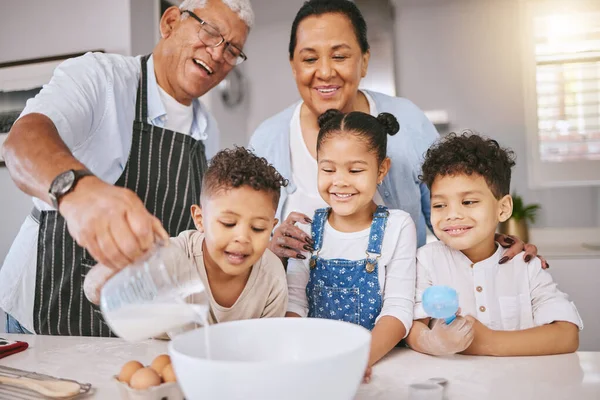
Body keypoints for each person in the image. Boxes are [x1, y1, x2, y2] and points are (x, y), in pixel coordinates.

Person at [0, 0, 254, 335]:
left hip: (132, 323)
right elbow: (22, 141)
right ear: (171, 22)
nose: (219, 54)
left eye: (233, 49)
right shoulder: (101, 78)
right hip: (43, 313)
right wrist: (80, 192)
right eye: (210, 32)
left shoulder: (207, 131)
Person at [249, 0, 541, 266]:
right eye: (309, 59)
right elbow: (243, 240)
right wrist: (268, 245)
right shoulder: (267, 139)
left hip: (401, 311)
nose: (324, 72)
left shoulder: (409, 121)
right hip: (299, 314)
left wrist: (490, 247)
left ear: (364, 60)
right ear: (293, 66)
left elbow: (450, 212)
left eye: (339, 56)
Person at [406, 133, 582, 357]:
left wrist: (488, 342)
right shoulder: (427, 261)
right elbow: (411, 328)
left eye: (468, 202)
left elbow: (567, 335)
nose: (452, 214)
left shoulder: (526, 266)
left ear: (503, 208)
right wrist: (432, 341)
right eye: (439, 205)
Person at [84, 147, 289, 326]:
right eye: (228, 223)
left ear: (272, 226)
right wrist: (125, 261)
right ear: (200, 220)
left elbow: (266, 347)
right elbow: (94, 290)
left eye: (258, 228)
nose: (242, 237)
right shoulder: (174, 256)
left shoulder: (271, 277)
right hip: (158, 361)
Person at [286, 110, 416, 382]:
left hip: (374, 365)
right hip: (312, 364)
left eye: (355, 170)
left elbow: (398, 310)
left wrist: (358, 360)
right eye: (328, 169)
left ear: (381, 169)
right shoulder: (306, 230)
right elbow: (295, 304)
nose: (340, 181)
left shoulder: (398, 226)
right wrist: (296, 355)